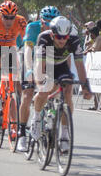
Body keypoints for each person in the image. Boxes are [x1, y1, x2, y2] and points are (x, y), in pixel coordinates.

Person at [31, 16, 92, 152]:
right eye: (59, 37)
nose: (62, 40)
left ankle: (64, 135)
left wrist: (85, 87)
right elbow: (39, 66)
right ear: (52, 34)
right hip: (45, 65)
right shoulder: (44, 38)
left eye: (65, 37)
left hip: (61, 65)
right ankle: (35, 119)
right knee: (44, 90)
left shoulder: (74, 41)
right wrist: (40, 84)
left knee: (68, 90)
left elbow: (80, 65)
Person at [18, 6, 60, 152]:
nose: (48, 25)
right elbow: (28, 51)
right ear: (40, 21)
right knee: (27, 93)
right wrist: (29, 70)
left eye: (51, 22)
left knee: (55, 87)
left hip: (47, 59)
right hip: (32, 58)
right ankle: (22, 134)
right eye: (45, 22)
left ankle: (50, 113)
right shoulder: (32, 27)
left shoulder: (58, 28)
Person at [0, 0, 26, 114]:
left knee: (17, 78)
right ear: (0, 15)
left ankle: (18, 105)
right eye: (6, 17)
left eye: (12, 17)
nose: (9, 20)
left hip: (10, 48)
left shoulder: (21, 21)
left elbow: (26, 41)